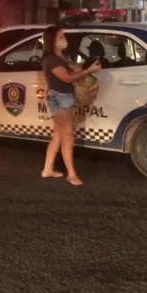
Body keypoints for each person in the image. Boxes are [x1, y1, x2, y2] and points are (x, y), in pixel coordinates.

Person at [40, 26, 101, 185]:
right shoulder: (51, 59)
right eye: (61, 36)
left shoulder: (61, 55)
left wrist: (85, 68)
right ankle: (71, 174)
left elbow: (71, 73)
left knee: (58, 136)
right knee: (68, 137)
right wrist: (89, 71)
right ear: (53, 41)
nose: (64, 39)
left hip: (65, 97)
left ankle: (47, 169)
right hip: (58, 99)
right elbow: (66, 78)